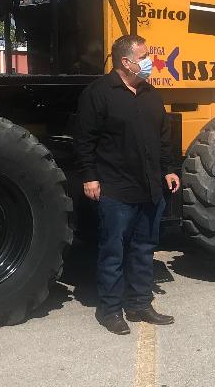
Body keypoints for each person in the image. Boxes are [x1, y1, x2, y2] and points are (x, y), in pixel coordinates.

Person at [74, 34, 180, 335]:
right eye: (144, 56)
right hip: (116, 189)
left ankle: (139, 304)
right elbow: (85, 139)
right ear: (125, 61)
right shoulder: (99, 93)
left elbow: (163, 136)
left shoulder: (149, 93)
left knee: (144, 249)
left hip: (150, 188)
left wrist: (169, 169)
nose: (149, 62)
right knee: (113, 251)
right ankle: (109, 310)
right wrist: (90, 176)